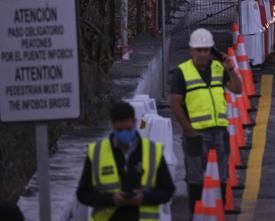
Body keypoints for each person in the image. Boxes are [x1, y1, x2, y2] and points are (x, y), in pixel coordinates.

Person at [169, 28, 242, 213]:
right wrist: (188, 130)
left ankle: (219, 211)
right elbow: (175, 104)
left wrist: (231, 69)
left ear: (211, 50)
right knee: (195, 178)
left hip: (219, 132)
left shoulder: (219, 68)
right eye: (198, 50)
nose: (202, 54)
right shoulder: (183, 71)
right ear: (191, 50)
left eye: (206, 50)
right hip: (196, 134)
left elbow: (237, 89)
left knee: (222, 175)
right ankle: (196, 214)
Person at [77, 101, 175, 221]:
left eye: (128, 129)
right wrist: (110, 199)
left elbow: (167, 190)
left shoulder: (153, 151)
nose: (124, 134)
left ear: (135, 123)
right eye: (119, 130)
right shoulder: (96, 152)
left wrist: (144, 197)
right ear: (112, 126)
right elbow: (83, 194)